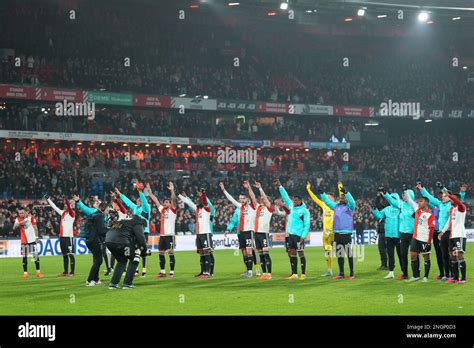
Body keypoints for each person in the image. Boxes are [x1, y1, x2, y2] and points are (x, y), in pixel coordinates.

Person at [418, 181, 467, 282]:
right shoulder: (445, 207)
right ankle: (448, 275)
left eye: (445, 196)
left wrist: (459, 193)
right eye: (443, 196)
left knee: (456, 254)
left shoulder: (457, 206)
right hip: (444, 233)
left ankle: (459, 277)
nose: (443, 197)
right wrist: (422, 189)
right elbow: (430, 198)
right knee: (446, 255)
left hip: (454, 233)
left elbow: (458, 201)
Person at [105, 204, 147, 289]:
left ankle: (113, 283)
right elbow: (141, 239)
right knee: (134, 258)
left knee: (121, 261)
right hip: (122, 243)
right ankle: (127, 284)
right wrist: (144, 251)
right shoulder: (138, 223)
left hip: (109, 242)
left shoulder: (124, 221)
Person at [320, 182, 356, 280]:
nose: (341, 199)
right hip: (337, 234)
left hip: (346, 234)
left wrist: (347, 193)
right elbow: (327, 202)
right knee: (340, 255)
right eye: (341, 198)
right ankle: (341, 273)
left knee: (349, 254)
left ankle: (352, 273)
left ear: (346, 199)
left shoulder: (350, 207)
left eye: (343, 198)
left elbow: (353, 202)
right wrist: (322, 194)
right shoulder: (336, 207)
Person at [276, 179, 310, 280]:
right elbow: (285, 197)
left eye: (296, 200)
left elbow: (307, 225)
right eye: (294, 200)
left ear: (300, 201)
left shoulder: (304, 211)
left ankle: (303, 274)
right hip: (290, 235)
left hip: (299, 236)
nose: (294, 201)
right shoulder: (291, 206)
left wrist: (303, 236)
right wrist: (280, 186)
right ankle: (294, 274)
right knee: (291, 252)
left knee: (301, 252)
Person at [221, 181, 256, 278]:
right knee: (244, 253)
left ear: (247, 199)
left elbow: (253, 197)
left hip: (249, 232)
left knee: (249, 252)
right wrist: (224, 190)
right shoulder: (239, 208)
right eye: (240, 198)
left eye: (243, 198)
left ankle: (250, 271)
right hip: (241, 233)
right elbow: (231, 199)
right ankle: (247, 270)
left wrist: (249, 188)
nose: (241, 200)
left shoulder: (252, 207)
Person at [115, 182, 151, 277]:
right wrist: (120, 195)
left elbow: (145, 202)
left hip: (144, 232)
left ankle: (144, 270)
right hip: (135, 232)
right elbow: (128, 202)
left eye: (140, 200)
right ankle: (136, 270)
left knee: (143, 251)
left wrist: (140, 192)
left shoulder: (146, 209)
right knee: (135, 250)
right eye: (138, 200)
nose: (138, 201)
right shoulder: (135, 208)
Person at [73, 194, 113, 276]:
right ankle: (96, 276)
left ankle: (100, 274)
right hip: (98, 237)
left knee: (100, 256)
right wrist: (78, 201)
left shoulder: (105, 213)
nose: (96, 203)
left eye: (98, 202)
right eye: (96, 202)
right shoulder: (94, 212)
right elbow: (84, 208)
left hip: (98, 236)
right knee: (100, 256)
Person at [179, 188, 213, 278]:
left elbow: (205, 201)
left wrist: (203, 194)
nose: (197, 202)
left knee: (206, 252)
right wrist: (178, 193)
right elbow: (187, 202)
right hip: (199, 234)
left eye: (198, 200)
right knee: (201, 253)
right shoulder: (197, 209)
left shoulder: (207, 209)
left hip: (205, 233)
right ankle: (202, 272)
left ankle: (207, 273)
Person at [384, 184, 415, 280]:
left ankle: (416, 274)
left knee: (414, 255)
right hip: (403, 234)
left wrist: (406, 191)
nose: (404, 196)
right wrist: (385, 194)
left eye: (405, 195)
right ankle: (404, 274)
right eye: (403, 195)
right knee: (403, 254)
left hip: (412, 233)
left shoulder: (414, 206)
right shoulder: (401, 205)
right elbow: (392, 201)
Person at [147, 182, 177, 278]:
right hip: (162, 235)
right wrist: (150, 193)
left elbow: (173, 199)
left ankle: (171, 272)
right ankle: (162, 272)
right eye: (164, 202)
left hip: (170, 235)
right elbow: (156, 201)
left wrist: (172, 190)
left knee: (171, 253)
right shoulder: (162, 210)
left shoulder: (173, 210)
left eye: (166, 202)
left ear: (170, 204)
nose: (164, 203)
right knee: (160, 253)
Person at [439, 189, 467, 284]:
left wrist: (449, 195)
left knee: (460, 255)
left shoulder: (461, 207)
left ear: (457, 199)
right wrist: (442, 232)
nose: (451, 200)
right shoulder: (451, 209)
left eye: (452, 199)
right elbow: (449, 222)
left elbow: (458, 203)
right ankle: (455, 277)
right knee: (452, 256)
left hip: (459, 235)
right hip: (452, 235)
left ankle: (463, 278)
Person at [306, 182, 335, 277]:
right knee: (327, 252)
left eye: (328, 196)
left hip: (333, 232)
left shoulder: (336, 206)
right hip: (325, 233)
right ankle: (329, 270)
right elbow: (315, 198)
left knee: (337, 251)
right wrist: (309, 189)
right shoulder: (324, 205)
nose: (325, 198)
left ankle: (339, 271)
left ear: (332, 198)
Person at [372, 189, 401, 279]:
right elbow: (380, 216)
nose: (391, 200)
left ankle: (404, 271)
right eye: (390, 198)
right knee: (391, 254)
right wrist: (374, 210)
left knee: (401, 255)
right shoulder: (387, 209)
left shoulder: (400, 207)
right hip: (388, 235)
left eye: (393, 198)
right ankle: (391, 272)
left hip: (398, 235)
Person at [247, 182, 274, 280]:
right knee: (261, 255)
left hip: (263, 234)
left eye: (264, 199)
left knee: (266, 253)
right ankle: (264, 273)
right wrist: (249, 188)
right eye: (261, 199)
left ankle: (269, 274)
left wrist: (260, 188)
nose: (262, 199)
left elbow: (266, 199)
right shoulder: (257, 207)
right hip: (256, 234)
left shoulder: (269, 208)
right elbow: (253, 198)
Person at [405, 194, 435, 282]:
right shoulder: (417, 210)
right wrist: (405, 190)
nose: (419, 203)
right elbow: (410, 201)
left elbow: (432, 228)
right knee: (413, 256)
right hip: (415, 238)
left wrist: (429, 241)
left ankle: (425, 276)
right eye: (419, 201)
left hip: (425, 239)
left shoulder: (429, 215)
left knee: (426, 257)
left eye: (421, 201)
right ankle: (415, 275)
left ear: (426, 203)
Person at [45, 195, 76, 277]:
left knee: (71, 254)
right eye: (64, 205)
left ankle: (72, 272)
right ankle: (65, 272)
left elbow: (69, 207)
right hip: (62, 237)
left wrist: (66, 199)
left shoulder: (72, 214)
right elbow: (54, 207)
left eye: (67, 205)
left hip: (69, 237)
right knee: (65, 255)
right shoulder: (62, 213)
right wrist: (48, 199)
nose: (65, 206)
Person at [82, 202, 109, 286]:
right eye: (107, 209)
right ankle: (90, 280)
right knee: (99, 260)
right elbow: (101, 231)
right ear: (103, 209)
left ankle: (96, 279)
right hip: (95, 240)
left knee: (96, 260)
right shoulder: (100, 216)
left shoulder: (94, 215)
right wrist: (110, 230)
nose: (108, 211)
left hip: (89, 240)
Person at [14, 208, 43, 278]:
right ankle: (25, 273)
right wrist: (21, 222)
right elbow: (14, 227)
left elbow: (35, 227)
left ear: (25, 212)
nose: (21, 214)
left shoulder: (31, 218)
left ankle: (38, 272)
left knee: (35, 256)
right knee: (24, 257)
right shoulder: (17, 219)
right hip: (24, 241)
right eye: (20, 213)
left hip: (32, 240)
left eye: (22, 213)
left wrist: (36, 237)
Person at [374, 188, 389, 270]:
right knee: (381, 248)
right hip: (381, 231)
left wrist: (383, 195)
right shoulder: (381, 210)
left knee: (388, 249)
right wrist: (378, 196)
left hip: (387, 230)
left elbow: (387, 203)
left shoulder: (389, 207)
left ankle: (390, 264)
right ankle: (384, 264)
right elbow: (376, 204)